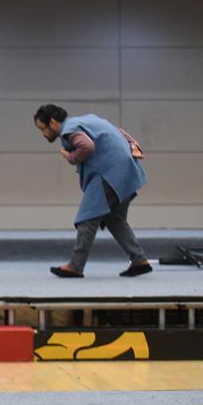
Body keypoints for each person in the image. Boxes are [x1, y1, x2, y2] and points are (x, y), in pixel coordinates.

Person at [33, 104, 152, 278]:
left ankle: (75, 266)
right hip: (127, 169)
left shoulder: (69, 130)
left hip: (108, 174)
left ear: (52, 122)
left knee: (87, 218)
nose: (43, 134)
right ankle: (139, 260)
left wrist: (71, 157)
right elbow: (119, 131)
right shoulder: (87, 120)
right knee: (115, 219)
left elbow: (87, 146)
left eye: (42, 128)